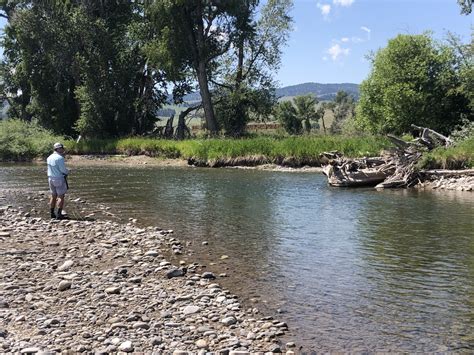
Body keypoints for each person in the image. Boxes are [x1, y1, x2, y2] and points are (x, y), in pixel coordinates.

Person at [47, 142, 69, 219]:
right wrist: (68, 171)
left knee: (53, 196)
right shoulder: (60, 158)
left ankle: (52, 214)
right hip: (59, 179)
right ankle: (59, 215)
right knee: (61, 196)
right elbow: (63, 170)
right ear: (58, 149)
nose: (63, 149)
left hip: (50, 178)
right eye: (62, 148)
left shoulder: (49, 157)